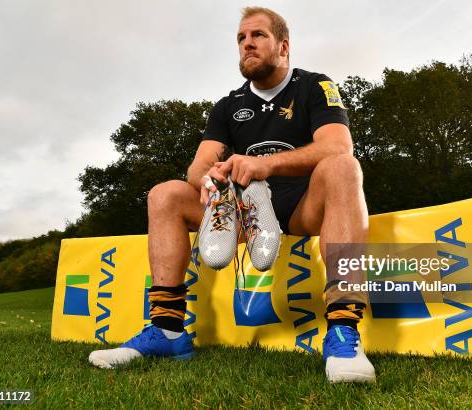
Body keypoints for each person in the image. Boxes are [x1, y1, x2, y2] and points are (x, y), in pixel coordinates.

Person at [89, 6, 375, 383]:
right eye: (241, 38)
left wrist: (266, 164)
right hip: (242, 212)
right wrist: (210, 177)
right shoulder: (228, 105)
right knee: (165, 194)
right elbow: (197, 167)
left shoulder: (315, 86)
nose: (247, 44)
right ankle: (168, 330)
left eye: (258, 36)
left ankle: (343, 330)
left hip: (301, 204)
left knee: (343, 168)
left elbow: (338, 147)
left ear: (284, 46)